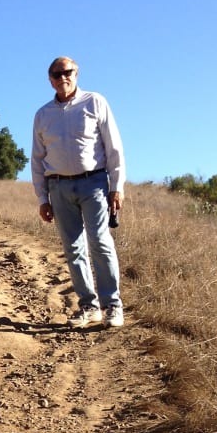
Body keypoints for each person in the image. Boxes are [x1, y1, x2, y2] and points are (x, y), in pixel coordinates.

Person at [31, 57, 126, 328]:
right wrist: (42, 198)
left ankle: (112, 306)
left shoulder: (95, 102)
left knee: (99, 241)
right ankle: (88, 306)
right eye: (57, 74)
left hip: (93, 182)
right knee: (73, 249)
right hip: (58, 186)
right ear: (49, 79)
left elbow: (114, 147)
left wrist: (116, 187)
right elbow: (37, 159)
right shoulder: (43, 114)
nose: (63, 77)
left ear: (77, 73)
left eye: (68, 72)